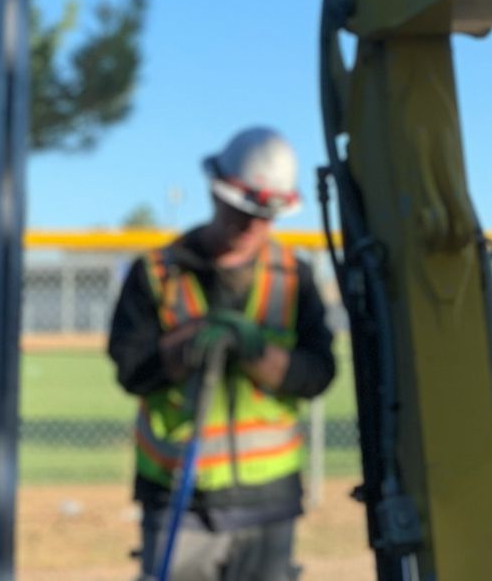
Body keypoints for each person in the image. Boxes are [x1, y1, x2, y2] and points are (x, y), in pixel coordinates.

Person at [108, 127, 336, 581]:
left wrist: (257, 353)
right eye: (243, 211)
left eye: (266, 216)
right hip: (177, 495)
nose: (253, 226)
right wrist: (190, 342)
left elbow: (318, 373)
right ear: (218, 194)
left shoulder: (293, 277)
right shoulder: (155, 273)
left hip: (268, 501)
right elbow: (132, 370)